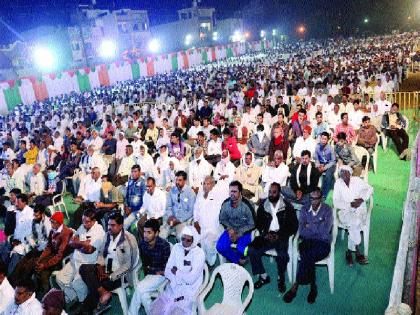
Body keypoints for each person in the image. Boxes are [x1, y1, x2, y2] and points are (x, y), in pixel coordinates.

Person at [79, 212, 138, 314]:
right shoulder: (107, 235)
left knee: (96, 283)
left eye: (113, 225)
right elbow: (102, 253)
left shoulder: (129, 240)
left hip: (119, 275)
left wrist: (110, 276)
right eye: (108, 225)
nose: (109, 228)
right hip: (106, 268)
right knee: (84, 268)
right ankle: (103, 293)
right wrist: (100, 267)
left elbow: (128, 265)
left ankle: (86, 310)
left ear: (121, 226)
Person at [283, 188, 333, 304]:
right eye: (311, 198)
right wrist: (317, 225)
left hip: (323, 244)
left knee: (307, 254)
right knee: (308, 253)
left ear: (321, 199)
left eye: (316, 199)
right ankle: (313, 286)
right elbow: (302, 231)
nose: (313, 201)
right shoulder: (305, 209)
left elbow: (326, 231)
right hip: (307, 241)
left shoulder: (327, 210)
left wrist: (309, 225)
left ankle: (296, 285)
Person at [248, 183, 298, 292]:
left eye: (274, 192)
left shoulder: (287, 206)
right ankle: (263, 276)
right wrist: (265, 233)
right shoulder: (263, 205)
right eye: (270, 192)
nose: (271, 194)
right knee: (252, 250)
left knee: (282, 255)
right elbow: (258, 224)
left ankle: (281, 277)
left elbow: (294, 226)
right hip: (267, 235)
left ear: (279, 193)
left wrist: (279, 234)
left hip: (281, 235)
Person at [149, 226, 205, 315]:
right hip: (172, 289)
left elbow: (191, 280)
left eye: (188, 240)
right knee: (155, 311)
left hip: (188, 293)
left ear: (194, 240)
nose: (184, 242)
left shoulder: (199, 253)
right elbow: (167, 271)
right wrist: (182, 276)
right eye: (183, 239)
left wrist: (177, 272)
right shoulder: (176, 247)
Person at [55, 208, 105, 304]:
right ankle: (74, 298)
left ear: (94, 221)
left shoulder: (99, 231)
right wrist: (82, 244)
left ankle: (83, 302)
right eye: (83, 221)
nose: (84, 224)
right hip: (75, 259)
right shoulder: (83, 226)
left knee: (77, 284)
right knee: (60, 278)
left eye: (87, 222)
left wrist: (77, 243)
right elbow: (71, 242)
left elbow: (89, 250)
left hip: (87, 264)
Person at [129, 219, 171, 315]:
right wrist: (150, 269)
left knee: (139, 288)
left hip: (161, 275)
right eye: (144, 232)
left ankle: (131, 313)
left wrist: (155, 270)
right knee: (144, 295)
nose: (145, 235)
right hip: (150, 274)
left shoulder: (164, 245)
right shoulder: (142, 244)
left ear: (156, 233)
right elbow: (145, 264)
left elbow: (166, 267)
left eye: (149, 232)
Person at [333, 166, 373, 266]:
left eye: (346, 172)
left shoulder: (357, 181)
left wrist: (362, 199)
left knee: (354, 223)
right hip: (345, 211)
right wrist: (349, 204)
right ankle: (358, 251)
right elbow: (336, 202)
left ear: (350, 173)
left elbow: (370, 189)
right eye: (341, 172)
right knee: (354, 222)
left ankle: (350, 252)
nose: (344, 174)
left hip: (359, 210)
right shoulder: (338, 183)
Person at [9, 204, 52, 287]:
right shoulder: (34, 221)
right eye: (34, 215)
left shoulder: (48, 224)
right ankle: (11, 284)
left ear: (42, 214)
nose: (34, 217)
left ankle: (23, 286)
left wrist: (38, 246)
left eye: (37, 215)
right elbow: (32, 234)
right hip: (36, 248)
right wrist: (30, 239)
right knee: (21, 263)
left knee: (28, 266)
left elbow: (49, 242)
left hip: (45, 251)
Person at [34, 212, 73, 298]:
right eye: (51, 221)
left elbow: (60, 255)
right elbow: (49, 247)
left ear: (59, 223)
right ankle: (39, 290)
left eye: (53, 222)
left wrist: (45, 265)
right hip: (54, 256)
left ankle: (49, 295)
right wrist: (40, 259)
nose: (51, 224)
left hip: (62, 260)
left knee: (44, 273)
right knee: (36, 265)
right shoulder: (53, 230)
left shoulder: (66, 233)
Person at [217, 180, 255, 265]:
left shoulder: (248, 205)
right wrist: (230, 229)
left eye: (235, 191)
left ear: (240, 192)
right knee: (220, 247)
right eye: (230, 191)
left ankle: (240, 259)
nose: (232, 194)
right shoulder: (226, 203)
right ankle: (238, 261)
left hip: (245, 231)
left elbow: (253, 224)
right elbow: (222, 219)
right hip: (231, 229)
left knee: (241, 249)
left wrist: (238, 235)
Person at [193, 176, 227, 266]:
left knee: (209, 243)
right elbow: (196, 209)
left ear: (213, 184)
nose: (205, 186)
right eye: (204, 183)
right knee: (195, 241)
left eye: (208, 184)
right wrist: (196, 222)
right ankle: (202, 261)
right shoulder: (200, 194)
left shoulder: (218, 195)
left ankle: (210, 263)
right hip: (201, 226)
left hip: (213, 227)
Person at [161, 171, 196, 240]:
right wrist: (170, 216)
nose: (177, 182)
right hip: (171, 219)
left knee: (180, 237)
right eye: (176, 180)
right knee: (161, 236)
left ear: (185, 181)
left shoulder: (190, 193)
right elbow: (168, 206)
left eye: (179, 180)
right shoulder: (172, 191)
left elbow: (191, 212)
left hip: (182, 221)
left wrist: (179, 220)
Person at [314, 132, 337, 199]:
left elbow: (333, 161)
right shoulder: (317, 147)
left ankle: (324, 194)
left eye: (325, 139)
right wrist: (318, 165)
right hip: (321, 164)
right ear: (320, 138)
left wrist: (325, 167)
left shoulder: (330, 148)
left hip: (330, 164)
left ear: (327, 140)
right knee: (314, 173)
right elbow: (316, 158)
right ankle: (314, 191)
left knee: (328, 175)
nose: (323, 140)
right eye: (322, 139)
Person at [124, 164, 146, 230]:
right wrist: (126, 206)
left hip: (138, 211)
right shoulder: (130, 182)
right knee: (118, 222)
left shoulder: (143, 183)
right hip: (129, 209)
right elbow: (127, 197)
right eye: (132, 172)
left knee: (125, 224)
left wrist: (131, 209)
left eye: (135, 171)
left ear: (139, 172)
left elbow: (144, 202)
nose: (133, 173)